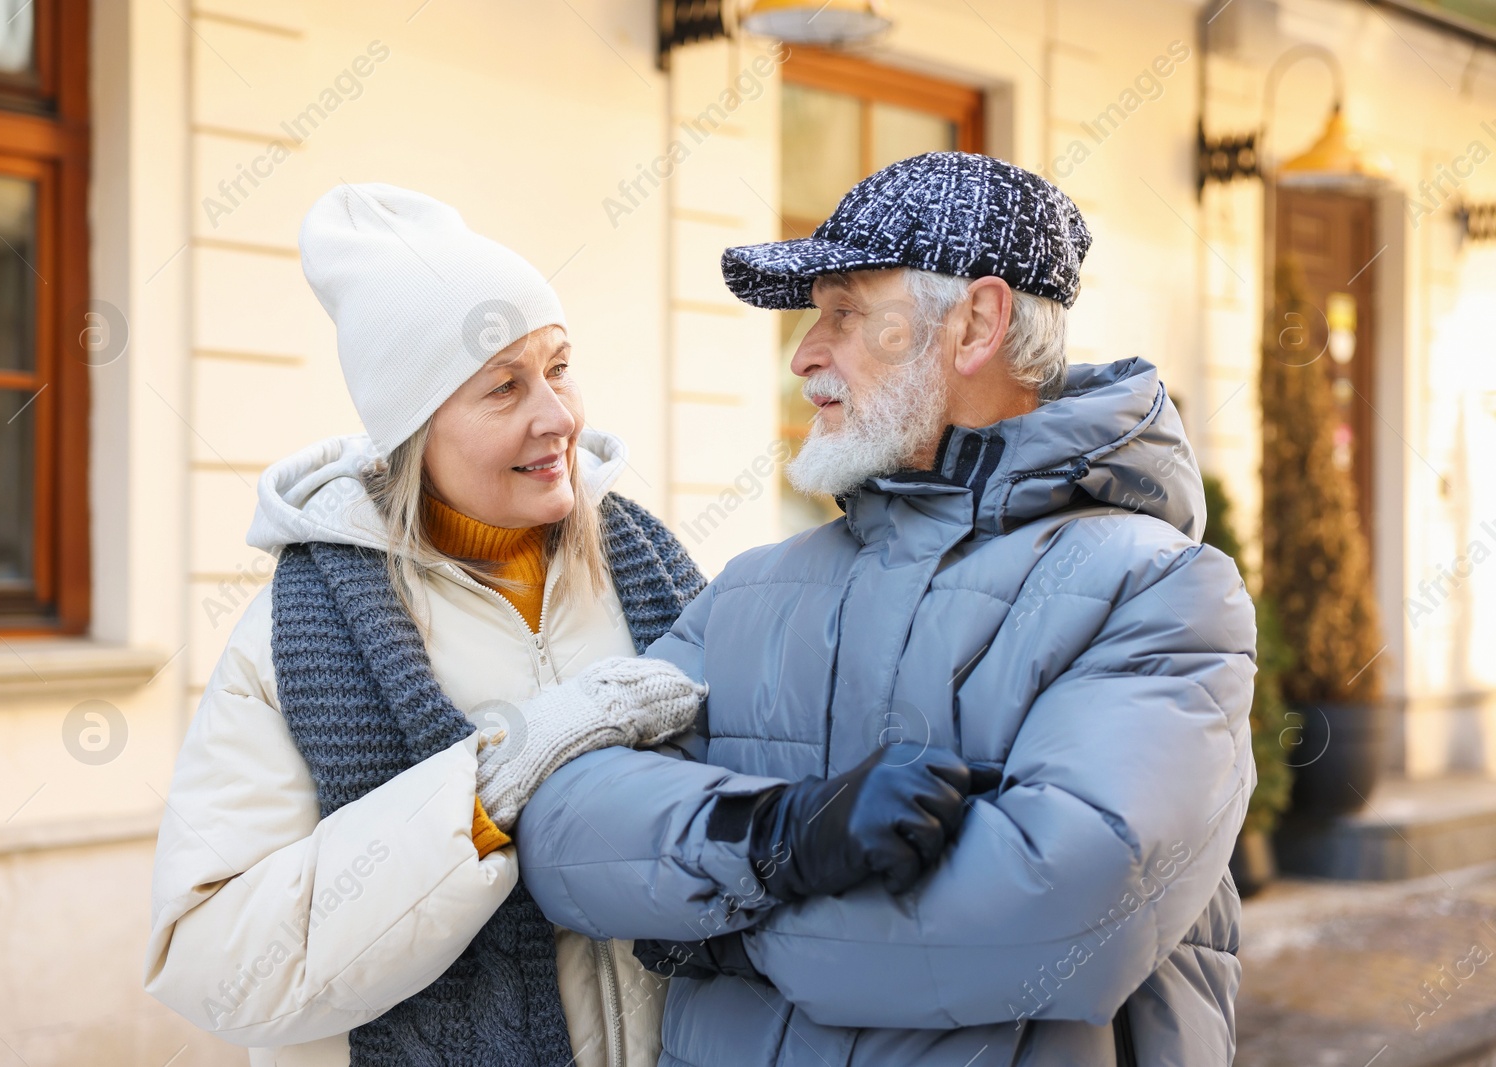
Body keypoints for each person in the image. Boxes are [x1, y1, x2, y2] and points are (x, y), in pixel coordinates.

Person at [512, 152, 1258, 1066]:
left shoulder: (1159, 589)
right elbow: (560, 831)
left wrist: (713, 932)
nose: (805, 355)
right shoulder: (751, 589)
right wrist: (782, 835)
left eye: (846, 312)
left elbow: (1048, 916)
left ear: (975, 324)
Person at [143, 183, 709, 1067]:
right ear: (415, 428)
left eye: (560, 366)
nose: (558, 415)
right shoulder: (300, 634)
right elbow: (216, 967)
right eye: (503, 386)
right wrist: (488, 791)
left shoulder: (649, 566)